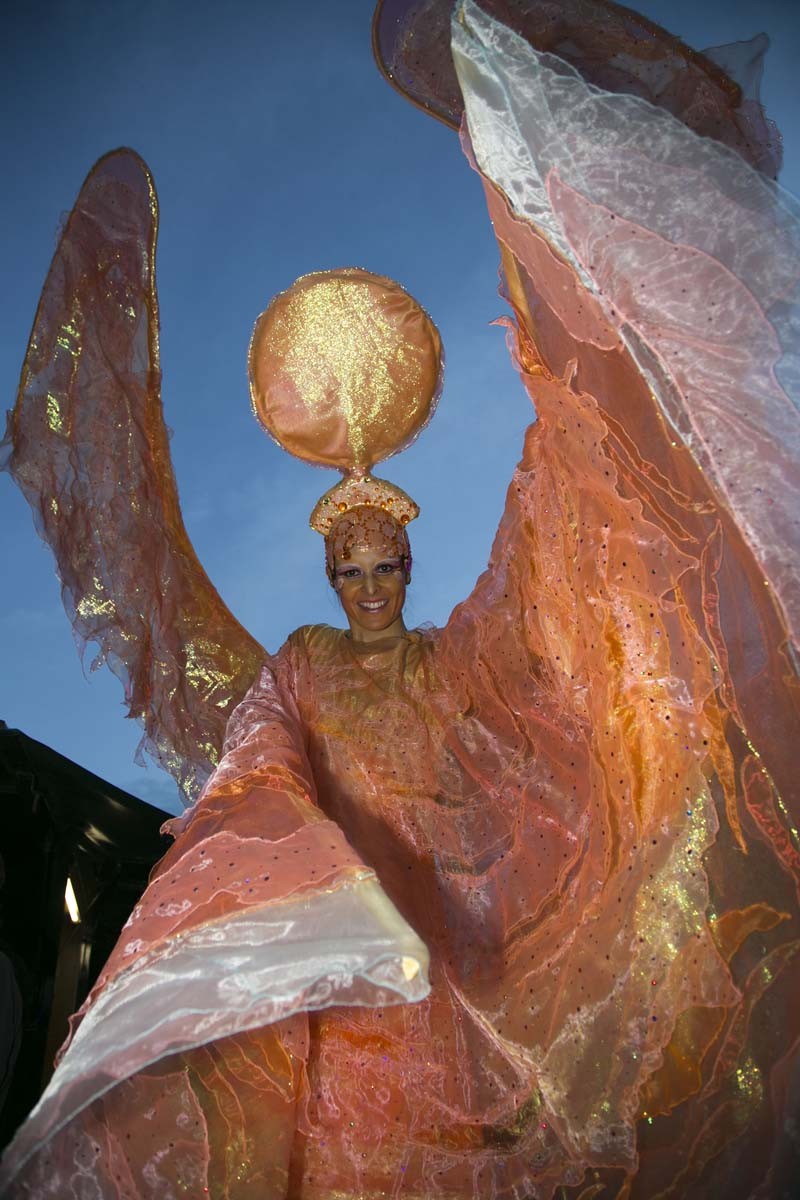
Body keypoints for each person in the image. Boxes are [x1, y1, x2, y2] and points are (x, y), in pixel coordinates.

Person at [2, 2, 799, 1197]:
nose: (371, 587)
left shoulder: (453, 655)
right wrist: (305, 903)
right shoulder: (304, 664)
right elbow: (258, 774)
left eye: (385, 569)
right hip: (354, 983)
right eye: (352, 572)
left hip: (469, 967)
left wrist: (567, 355)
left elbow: (550, 554)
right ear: (328, 577)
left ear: (405, 570)